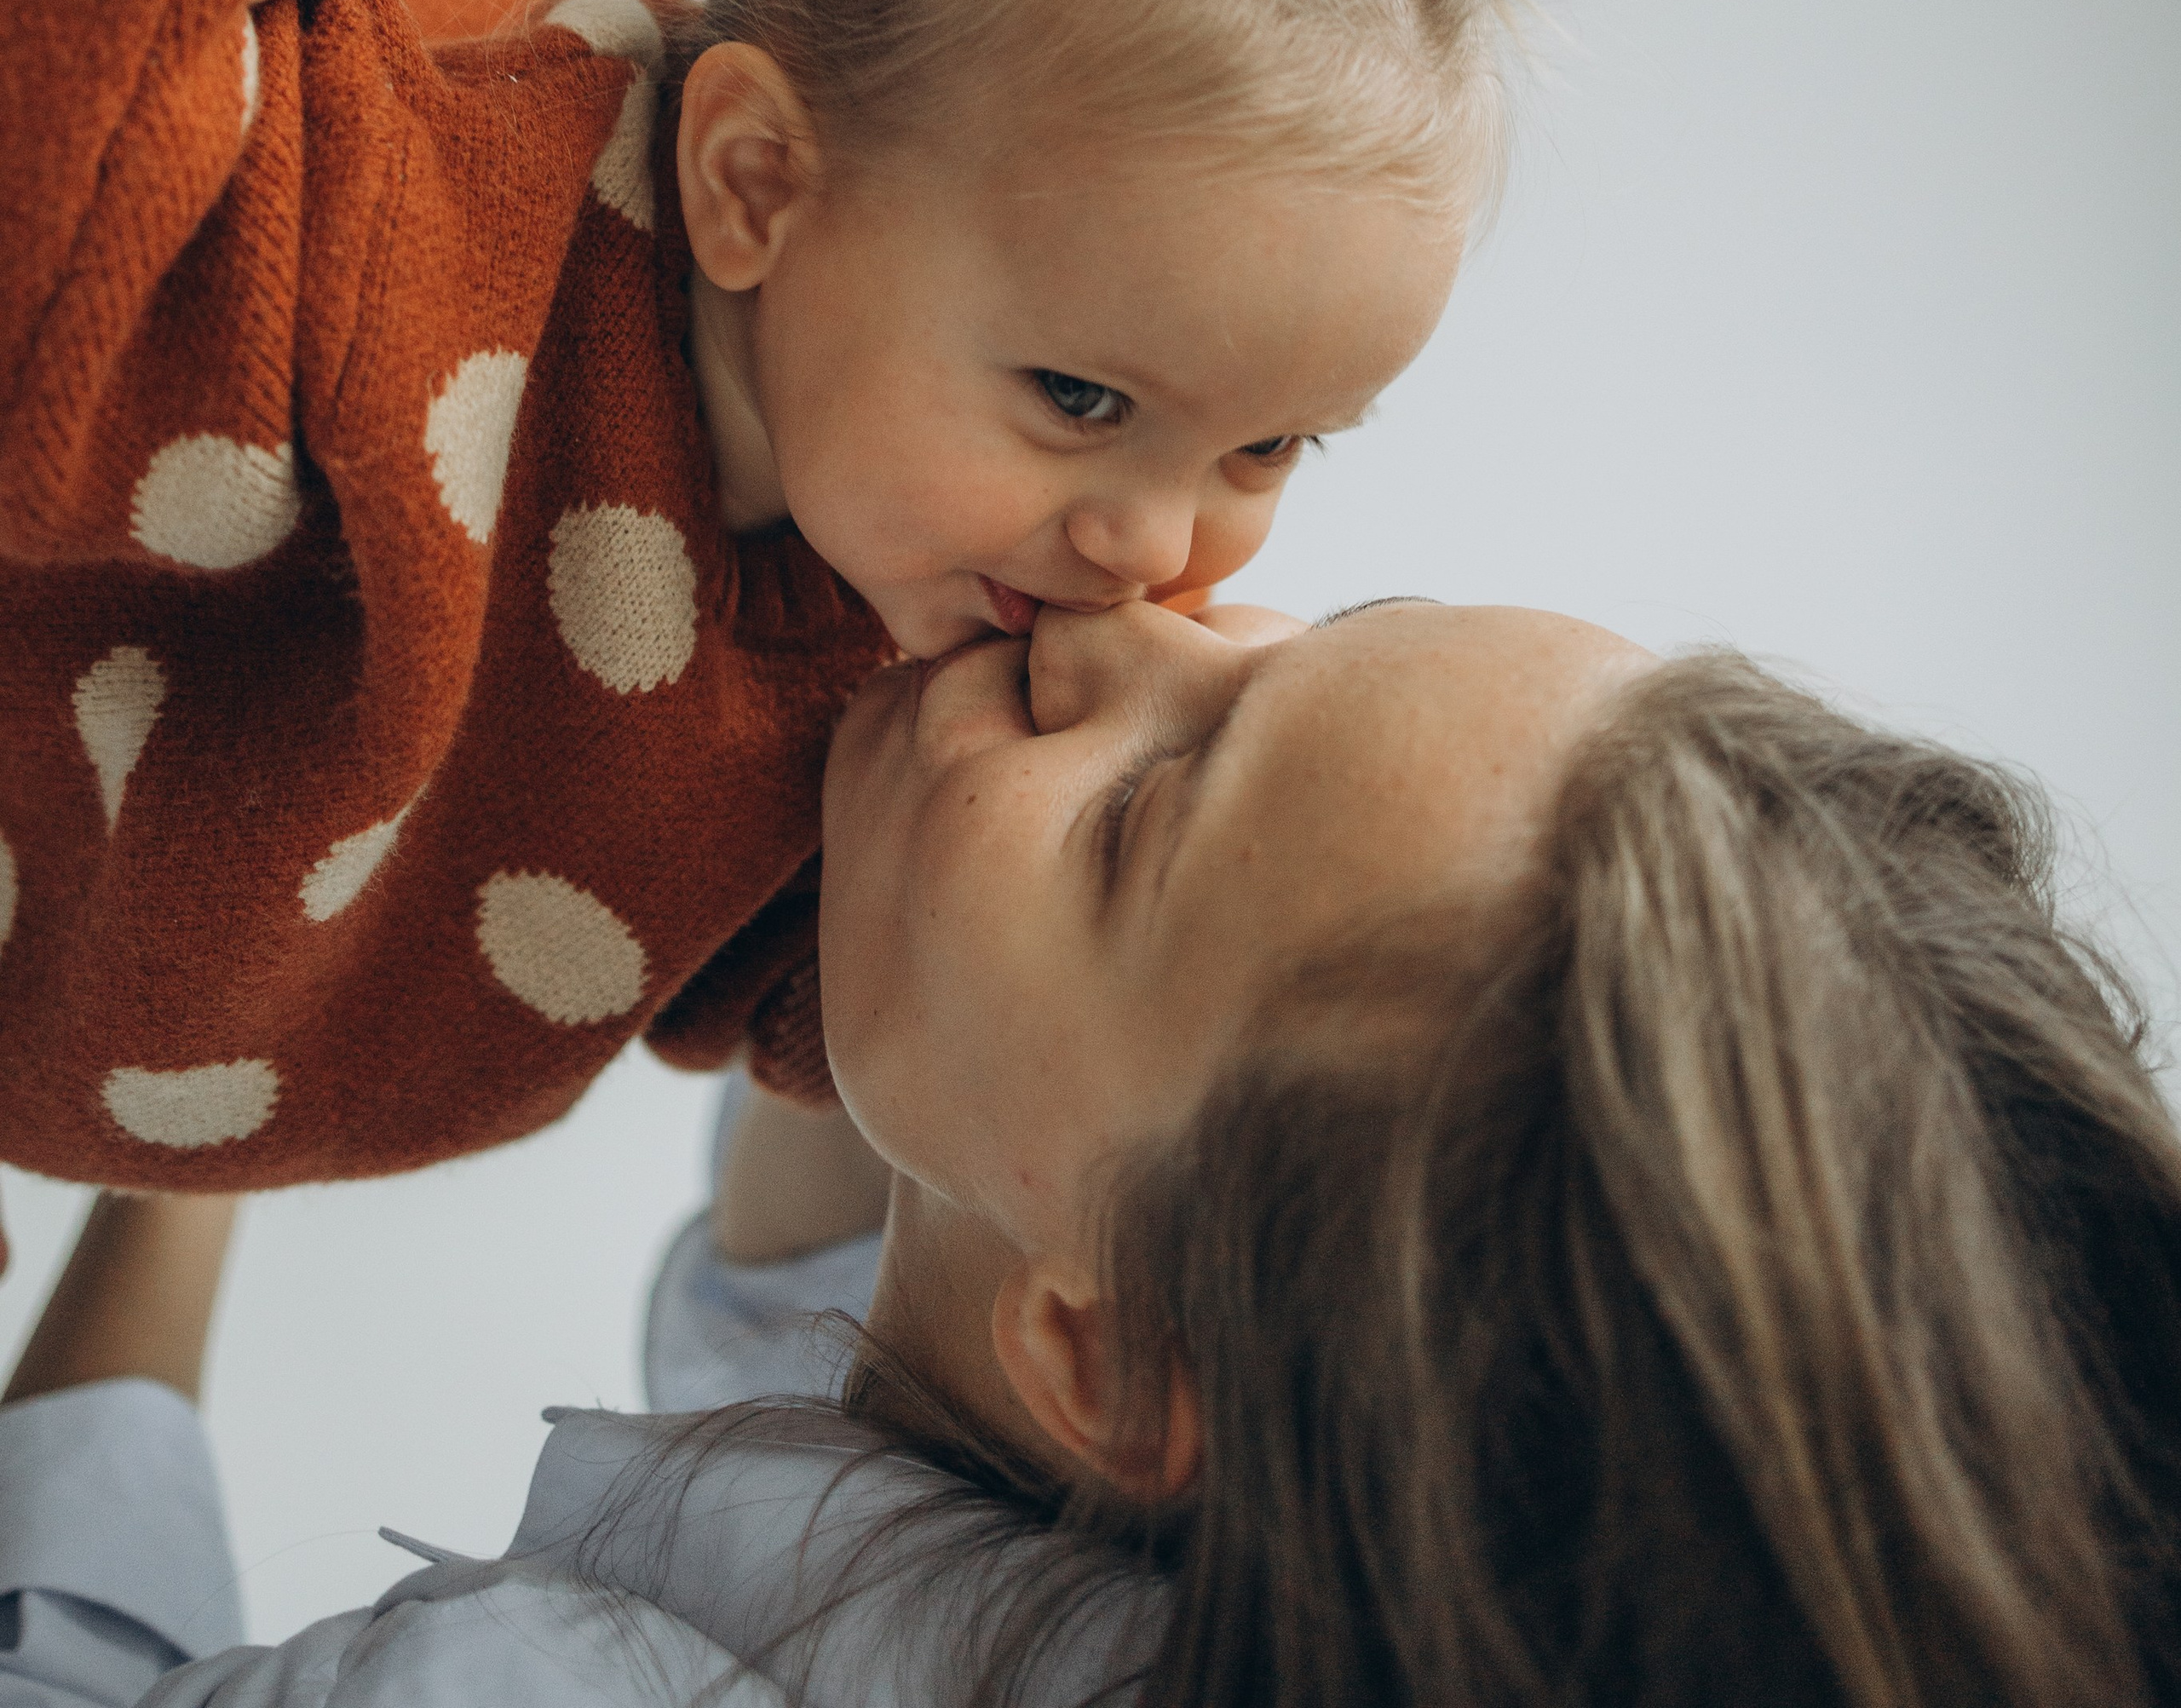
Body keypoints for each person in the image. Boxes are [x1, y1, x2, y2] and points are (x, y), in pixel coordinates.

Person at [0, 0, 1503, 1195]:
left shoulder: (957, 627)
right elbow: (60, 235)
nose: (1152, 542)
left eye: (1268, 444)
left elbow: (849, 1003)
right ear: (754, 184)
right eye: (1084, 397)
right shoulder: (431, 223)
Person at [2, 600, 2177, 1704]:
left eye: (1151, 807)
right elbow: (834, 1269)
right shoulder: (1146, 1548)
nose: (1115, 612)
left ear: (1121, 1364)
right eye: (1286, 635)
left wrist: (189, 1072)